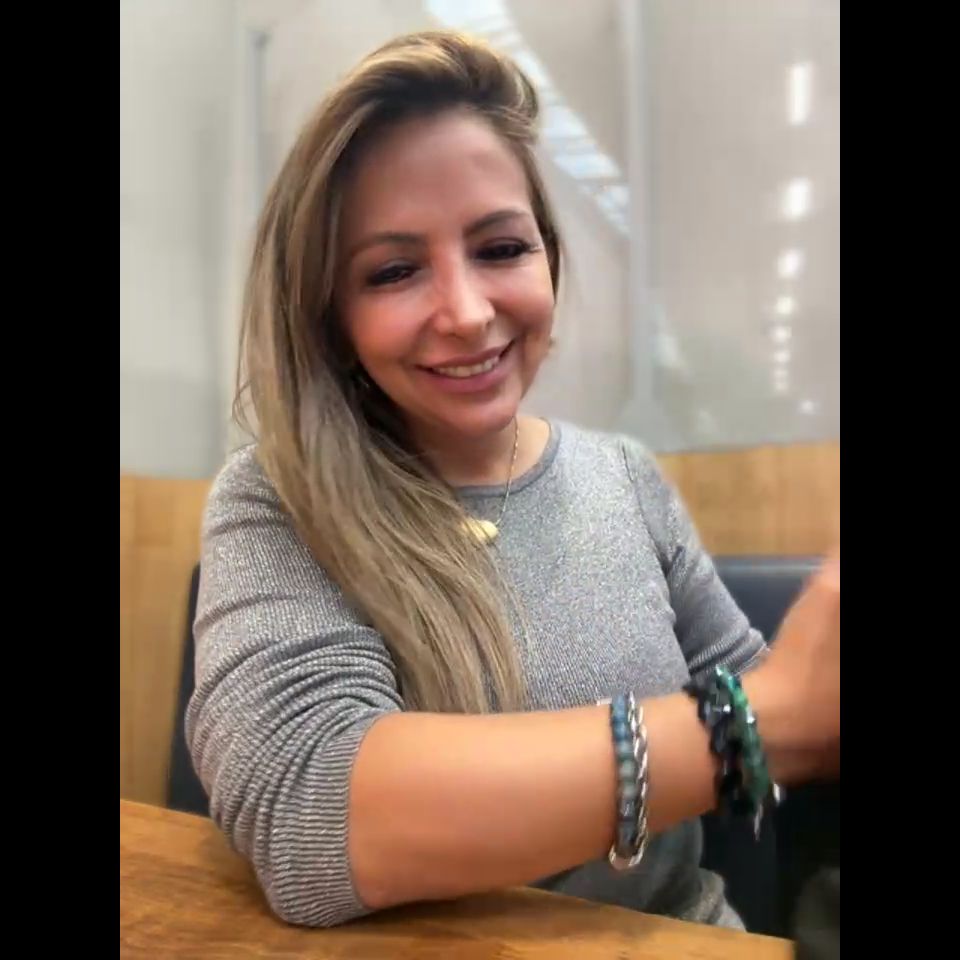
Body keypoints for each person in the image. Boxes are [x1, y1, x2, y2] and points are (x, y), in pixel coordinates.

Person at [185, 30, 840, 931]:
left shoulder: (626, 477)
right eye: (394, 271)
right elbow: (309, 810)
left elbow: (778, 701)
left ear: (548, 259)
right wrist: (752, 727)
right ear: (329, 314)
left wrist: (793, 709)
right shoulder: (275, 498)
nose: (466, 312)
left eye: (500, 249)